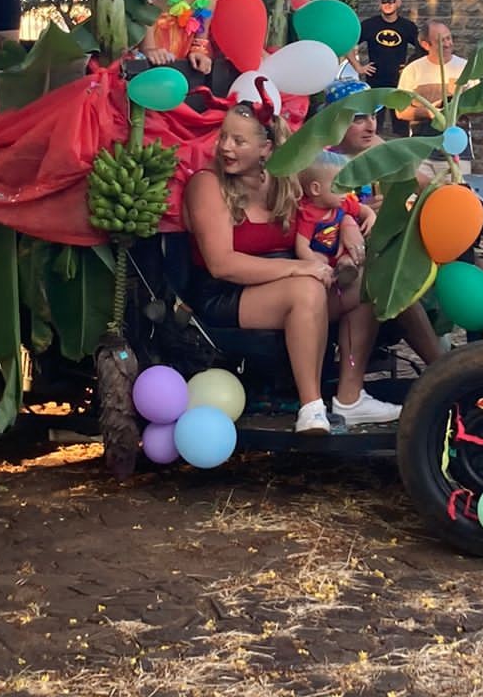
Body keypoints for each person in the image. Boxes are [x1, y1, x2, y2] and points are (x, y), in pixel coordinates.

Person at [182, 99, 401, 434]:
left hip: (288, 280)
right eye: (224, 137)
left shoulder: (284, 180)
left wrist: (349, 228)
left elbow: (329, 200)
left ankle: (350, 398)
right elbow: (221, 264)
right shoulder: (208, 184)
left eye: (238, 141)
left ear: (266, 148)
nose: (226, 147)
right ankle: (311, 408)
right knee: (307, 289)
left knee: (368, 281)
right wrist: (299, 268)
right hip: (226, 293)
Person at [326, 79, 444, 368]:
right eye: (359, 119)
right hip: (340, 256)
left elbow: (426, 188)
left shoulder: (379, 150)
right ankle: (443, 368)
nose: (371, 125)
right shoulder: (323, 161)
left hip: (381, 246)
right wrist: (360, 213)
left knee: (479, 266)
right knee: (396, 284)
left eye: (374, 115)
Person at [295, 150, 377, 289]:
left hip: (340, 253)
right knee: (318, 257)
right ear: (316, 189)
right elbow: (302, 247)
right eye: (340, 187)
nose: (346, 192)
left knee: (347, 259)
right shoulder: (308, 215)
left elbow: (363, 209)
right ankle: (332, 273)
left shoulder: (344, 202)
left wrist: (371, 216)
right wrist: (317, 265)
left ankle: (346, 271)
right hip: (321, 254)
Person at [349, 0, 419, 135]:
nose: (388, 4)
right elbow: (349, 43)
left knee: (401, 129)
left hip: (399, 84)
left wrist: (410, 67)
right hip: (375, 84)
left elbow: (423, 48)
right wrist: (358, 67)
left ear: (398, 2)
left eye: (391, 0)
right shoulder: (370, 25)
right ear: (379, 3)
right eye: (384, 0)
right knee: (373, 127)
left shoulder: (407, 27)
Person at [396, 20, 467, 138]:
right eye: (441, 41)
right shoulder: (412, 70)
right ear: (425, 45)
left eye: (449, 38)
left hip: (458, 139)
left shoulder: (464, 67)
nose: (447, 44)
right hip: (423, 140)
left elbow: (478, 105)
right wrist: (430, 112)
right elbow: (400, 112)